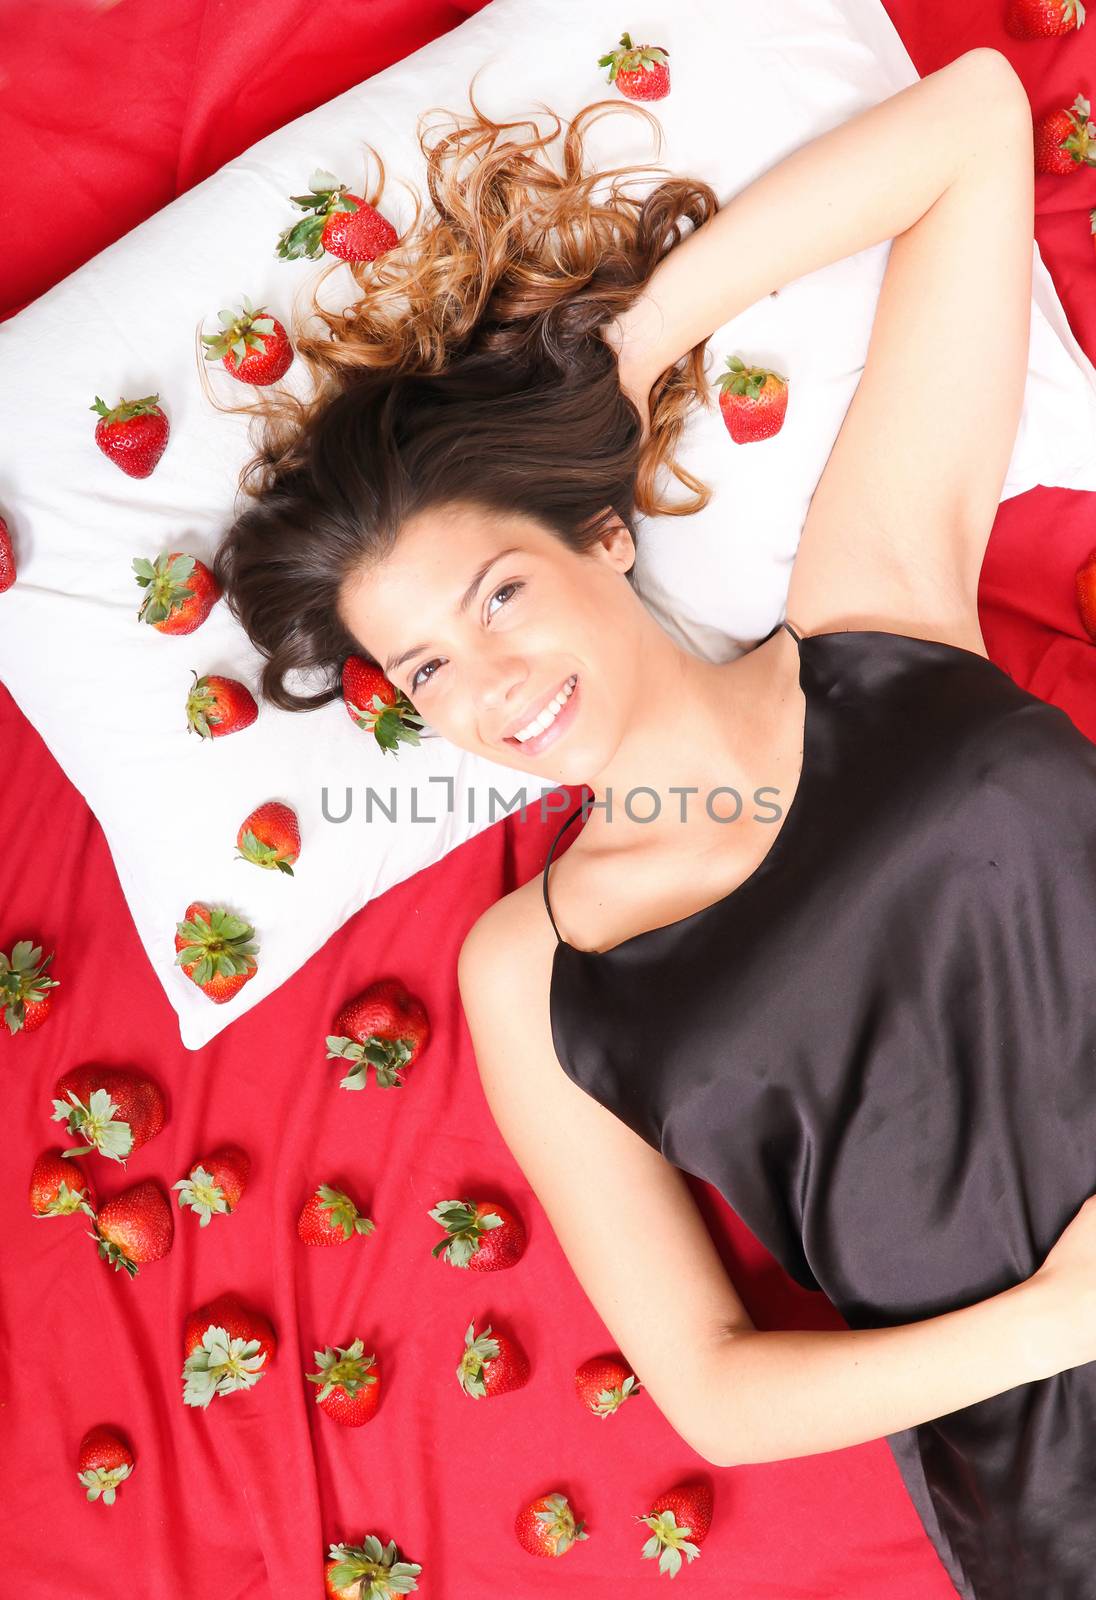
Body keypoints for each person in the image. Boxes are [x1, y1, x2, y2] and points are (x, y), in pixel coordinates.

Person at [210, 46, 1096, 1598]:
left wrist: (620, 358)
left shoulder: (874, 600)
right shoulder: (537, 971)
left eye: (500, 593)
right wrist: (1057, 1325)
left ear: (605, 536)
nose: (489, 681)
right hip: (1056, 1462)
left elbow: (973, 123)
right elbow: (711, 1386)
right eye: (428, 669)